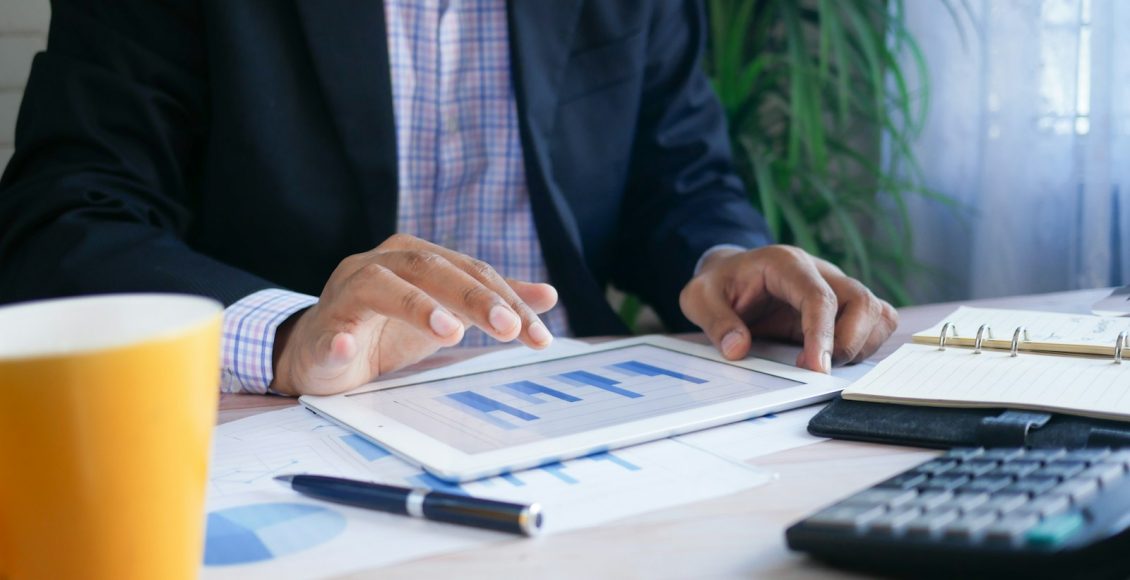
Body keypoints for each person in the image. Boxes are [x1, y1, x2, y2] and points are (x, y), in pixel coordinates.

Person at [0, 0, 897, 396]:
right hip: (293, 424)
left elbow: (679, 174)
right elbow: (61, 221)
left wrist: (725, 259)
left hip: (577, 409)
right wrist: (288, 334)